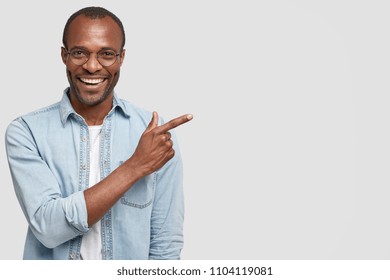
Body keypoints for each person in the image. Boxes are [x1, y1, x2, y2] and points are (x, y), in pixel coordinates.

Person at [5, 6, 192, 260]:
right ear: (64, 56)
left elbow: (165, 245)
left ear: (121, 58)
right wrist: (135, 166)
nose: (92, 66)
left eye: (106, 54)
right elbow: (48, 227)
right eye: (80, 53)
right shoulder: (26, 132)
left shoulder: (155, 136)